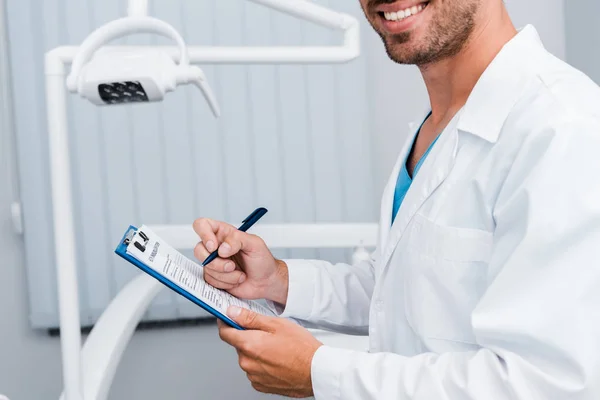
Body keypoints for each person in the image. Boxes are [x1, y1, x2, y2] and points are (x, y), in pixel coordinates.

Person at [193, 0, 600, 398]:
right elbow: (407, 287)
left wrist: (321, 373)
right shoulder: (438, 125)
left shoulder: (561, 128)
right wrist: (278, 280)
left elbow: (544, 383)